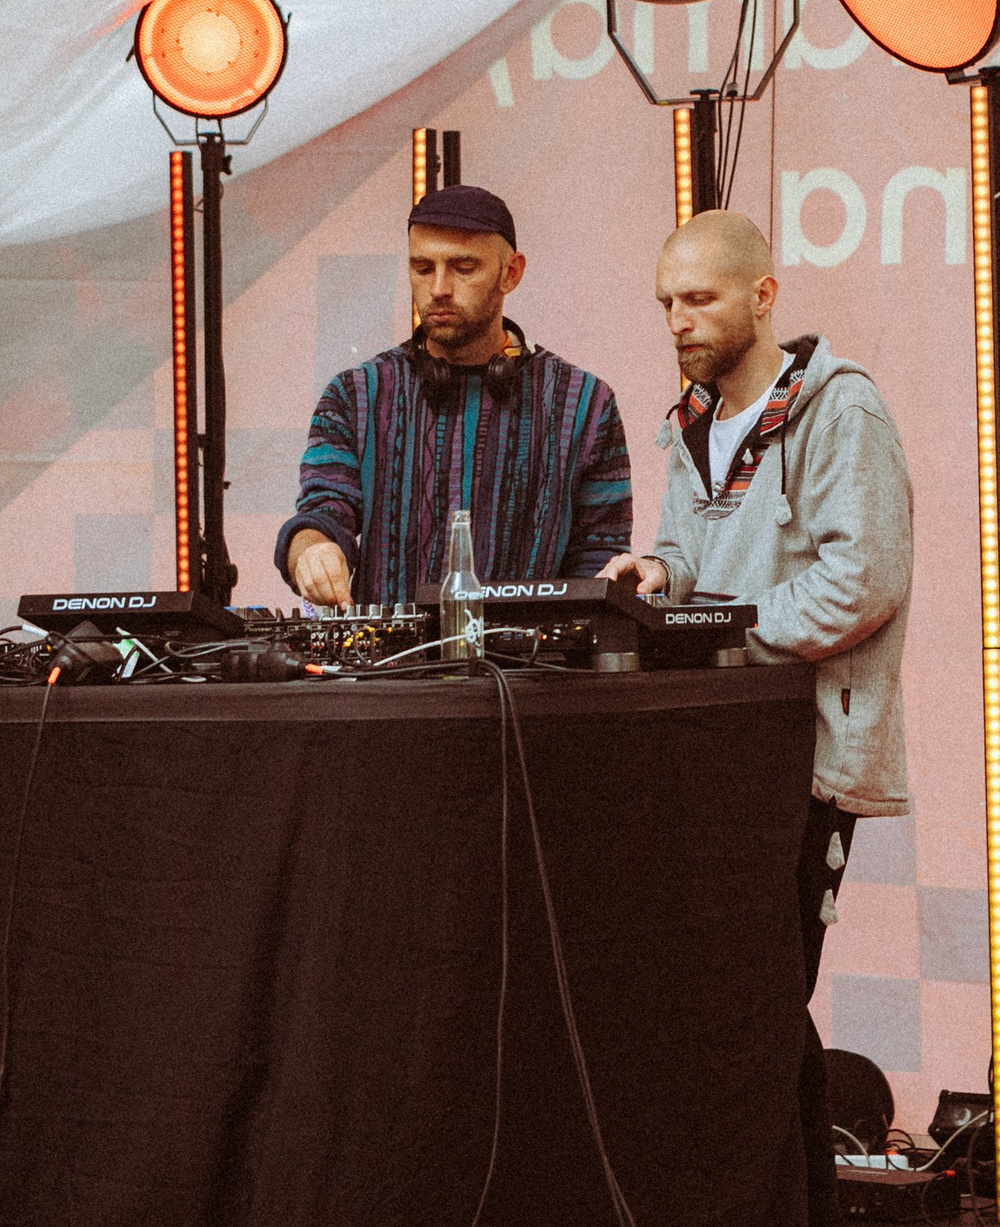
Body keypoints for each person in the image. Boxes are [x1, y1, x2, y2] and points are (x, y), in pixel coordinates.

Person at [600, 208, 911, 1227]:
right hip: (719, 750)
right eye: (666, 303)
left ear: (762, 296)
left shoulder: (840, 409)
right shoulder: (688, 419)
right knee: (729, 1006)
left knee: (761, 1004)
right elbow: (689, 560)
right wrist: (659, 576)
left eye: (700, 298)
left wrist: (725, 634)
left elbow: (861, 580)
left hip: (802, 749)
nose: (679, 321)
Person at [277, 184, 633, 606]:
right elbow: (322, 512)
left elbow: (601, 559)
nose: (439, 288)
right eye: (423, 268)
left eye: (463, 267)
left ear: (511, 273)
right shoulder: (355, 396)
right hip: (391, 670)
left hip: (534, 669)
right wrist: (311, 550)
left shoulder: (585, 404)